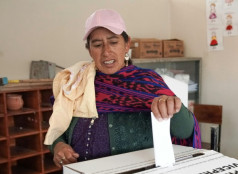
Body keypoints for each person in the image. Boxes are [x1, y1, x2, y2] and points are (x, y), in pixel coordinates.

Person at [44, 9, 201, 168]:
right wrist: (58, 145)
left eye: (113, 42)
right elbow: (57, 126)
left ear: (127, 45)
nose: (106, 52)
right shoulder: (76, 82)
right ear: (90, 50)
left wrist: (172, 105)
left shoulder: (146, 82)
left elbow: (185, 130)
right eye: (97, 45)